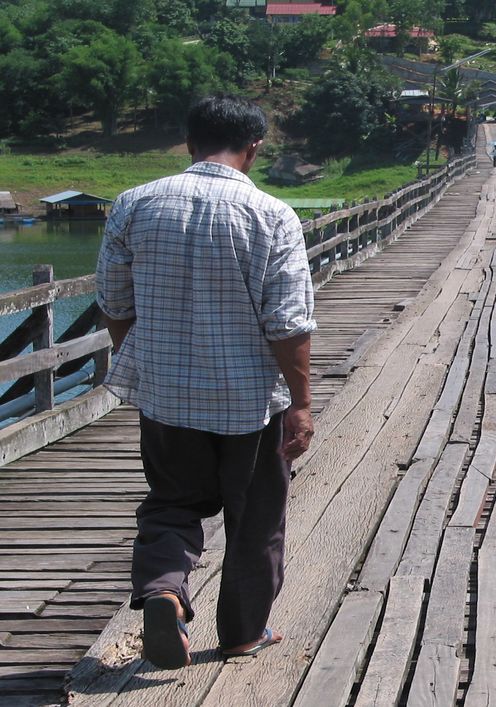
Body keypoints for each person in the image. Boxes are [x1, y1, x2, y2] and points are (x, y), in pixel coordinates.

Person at [96, 95, 316, 670]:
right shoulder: (272, 216)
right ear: (255, 148)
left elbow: (115, 303)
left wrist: (149, 364)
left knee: (171, 504)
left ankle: (165, 589)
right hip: (250, 404)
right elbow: (288, 324)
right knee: (256, 518)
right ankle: (243, 632)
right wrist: (301, 405)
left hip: (166, 399)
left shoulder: (133, 206)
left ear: (188, 142)